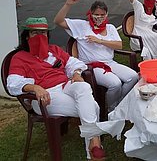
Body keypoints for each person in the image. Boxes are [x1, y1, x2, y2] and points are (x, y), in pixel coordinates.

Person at [7, 17, 105, 160]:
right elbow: (13, 83)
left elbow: (74, 63)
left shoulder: (54, 50)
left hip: (65, 85)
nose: (40, 37)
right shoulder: (20, 57)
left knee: (83, 86)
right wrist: (35, 87)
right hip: (44, 95)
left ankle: (93, 143)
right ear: (27, 36)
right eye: (35, 33)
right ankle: (94, 147)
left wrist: (77, 73)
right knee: (93, 107)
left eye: (44, 33)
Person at [54, 0, 138, 112]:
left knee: (133, 76)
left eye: (102, 15)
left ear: (106, 14)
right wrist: (68, 4)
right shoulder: (82, 26)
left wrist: (100, 40)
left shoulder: (110, 27)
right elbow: (58, 21)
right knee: (115, 83)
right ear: (91, 14)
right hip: (92, 66)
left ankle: (120, 103)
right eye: (96, 14)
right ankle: (111, 109)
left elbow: (119, 45)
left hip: (109, 62)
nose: (99, 17)